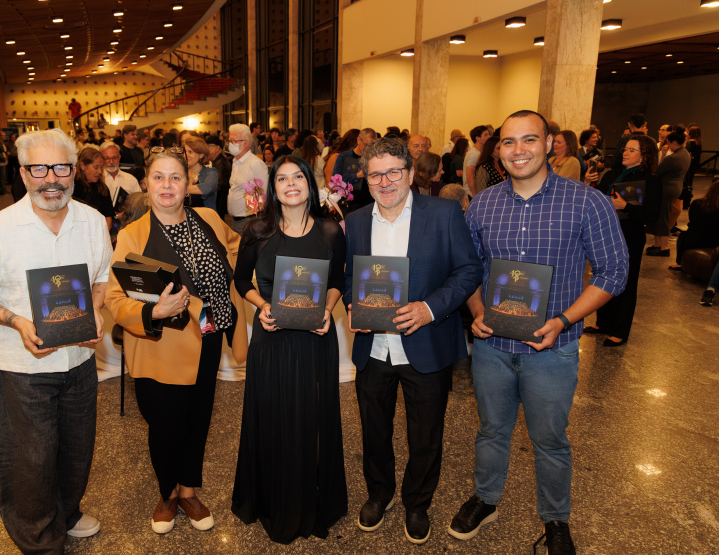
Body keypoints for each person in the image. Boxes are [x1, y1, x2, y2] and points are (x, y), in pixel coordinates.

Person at [453, 110, 628, 554]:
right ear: (498, 153)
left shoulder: (588, 202)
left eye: (529, 140)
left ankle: (555, 519)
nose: (518, 150)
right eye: (508, 143)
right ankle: (485, 498)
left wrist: (564, 320)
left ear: (550, 143)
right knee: (492, 430)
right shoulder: (485, 203)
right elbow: (469, 268)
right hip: (493, 345)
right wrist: (475, 309)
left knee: (549, 440)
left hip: (554, 349)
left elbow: (614, 272)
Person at [0, 130, 112, 553]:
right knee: (31, 458)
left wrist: (97, 310)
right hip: (23, 368)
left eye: (60, 168)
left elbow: (101, 280)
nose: (51, 179)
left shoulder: (93, 223)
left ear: (74, 171)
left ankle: (67, 512)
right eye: (39, 169)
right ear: (23, 173)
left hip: (78, 359)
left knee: (77, 450)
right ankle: (38, 537)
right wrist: (19, 323)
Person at [343, 137, 483, 545]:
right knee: (374, 428)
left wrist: (429, 309)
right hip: (374, 346)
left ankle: (417, 502)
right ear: (365, 178)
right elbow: (348, 278)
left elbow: (468, 270)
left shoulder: (442, 214)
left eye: (393, 172)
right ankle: (379, 493)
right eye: (375, 174)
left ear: (409, 173)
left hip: (427, 342)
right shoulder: (354, 222)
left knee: (426, 434)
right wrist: (353, 305)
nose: (384, 181)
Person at [106, 154, 247, 535]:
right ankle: (167, 493)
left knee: (199, 417)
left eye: (176, 178)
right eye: (158, 178)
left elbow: (238, 253)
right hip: (161, 344)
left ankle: (189, 489)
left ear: (188, 184)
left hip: (209, 332)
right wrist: (153, 311)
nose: (167, 186)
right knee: (166, 424)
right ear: (146, 185)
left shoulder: (211, 220)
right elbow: (115, 301)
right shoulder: (133, 235)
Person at [231, 155, 348, 544]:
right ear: (272, 188)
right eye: (282, 178)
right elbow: (240, 279)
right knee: (274, 416)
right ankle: (272, 498)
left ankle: (315, 500)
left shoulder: (331, 230)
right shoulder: (258, 230)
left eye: (298, 176)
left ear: (309, 185)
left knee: (314, 418)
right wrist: (261, 306)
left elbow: (336, 281)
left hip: (315, 338)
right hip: (272, 337)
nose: (291, 183)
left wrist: (328, 310)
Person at [582, 136, 661, 346]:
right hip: (605, 233)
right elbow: (594, 200)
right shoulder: (613, 174)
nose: (625, 153)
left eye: (632, 150)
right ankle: (603, 323)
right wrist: (589, 182)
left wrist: (625, 206)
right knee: (603, 276)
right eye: (625, 149)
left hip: (630, 235)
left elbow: (651, 215)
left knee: (625, 282)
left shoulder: (651, 180)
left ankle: (619, 331)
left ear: (645, 155)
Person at [649, 131, 691, 257]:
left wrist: (662, 156)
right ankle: (658, 245)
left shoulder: (673, 158)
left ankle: (664, 247)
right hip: (675, 187)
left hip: (666, 188)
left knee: (662, 217)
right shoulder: (685, 154)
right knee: (661, 215)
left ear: (673, 142)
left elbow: (657, 171)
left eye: (668, 143)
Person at [227, 123, 270, 234]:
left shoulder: (255, 164)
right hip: (235, 220)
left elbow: (264, 194)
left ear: (246, 143)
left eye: (234, 141)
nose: (231, 144)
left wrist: (256, 220)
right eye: (230, 141)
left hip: (249, 221)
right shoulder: (235, 161)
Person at [669, 179, 719, 271]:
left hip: (694, 240)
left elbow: (692, 222)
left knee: (683, 235)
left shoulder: (697, 203)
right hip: (714, 242)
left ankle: (679, 262)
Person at [334, 128, 377, 212]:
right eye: (366, 145)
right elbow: (335, 183)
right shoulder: (344, 157)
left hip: (370, 205)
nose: (368, 149)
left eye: (372, 146)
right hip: (349, 206)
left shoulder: (374, 158)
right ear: (358, 140)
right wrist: (357, 175)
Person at [72, 147, 113, 228]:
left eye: (101, 167)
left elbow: (108, 219)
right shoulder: (71, 187)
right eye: (96, 167)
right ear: (83, 165)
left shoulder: (102, 189)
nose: (100, 171)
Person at [183, 136, 218, 210]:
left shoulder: (210, 172)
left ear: (201, 155)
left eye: (190, 152)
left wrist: (180, 189)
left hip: (205, 219)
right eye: (185, 152)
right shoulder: (183, 173)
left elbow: (207, 188)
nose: (186, 155)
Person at [206, 136, 232, 218]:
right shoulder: (217, 161)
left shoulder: (220, 162)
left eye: (208, 146)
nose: (206, 150)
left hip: (219, 204)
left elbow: (218, 185)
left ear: (217, 148)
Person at [464, 125, 491, 196]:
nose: (489, 137)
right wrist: (475, 195)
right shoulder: (474, 154)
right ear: (478, 138)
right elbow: (470, 177)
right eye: (486, 135)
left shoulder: (480, 152)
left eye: (488, 134)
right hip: (471, 193)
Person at [682, 124, 702, 210]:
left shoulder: (689, 143)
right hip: (694, 165)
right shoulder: (699, 142)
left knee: (685, 183)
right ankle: (687, 201)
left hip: (688, 165)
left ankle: (684, 201)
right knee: (690, 183)